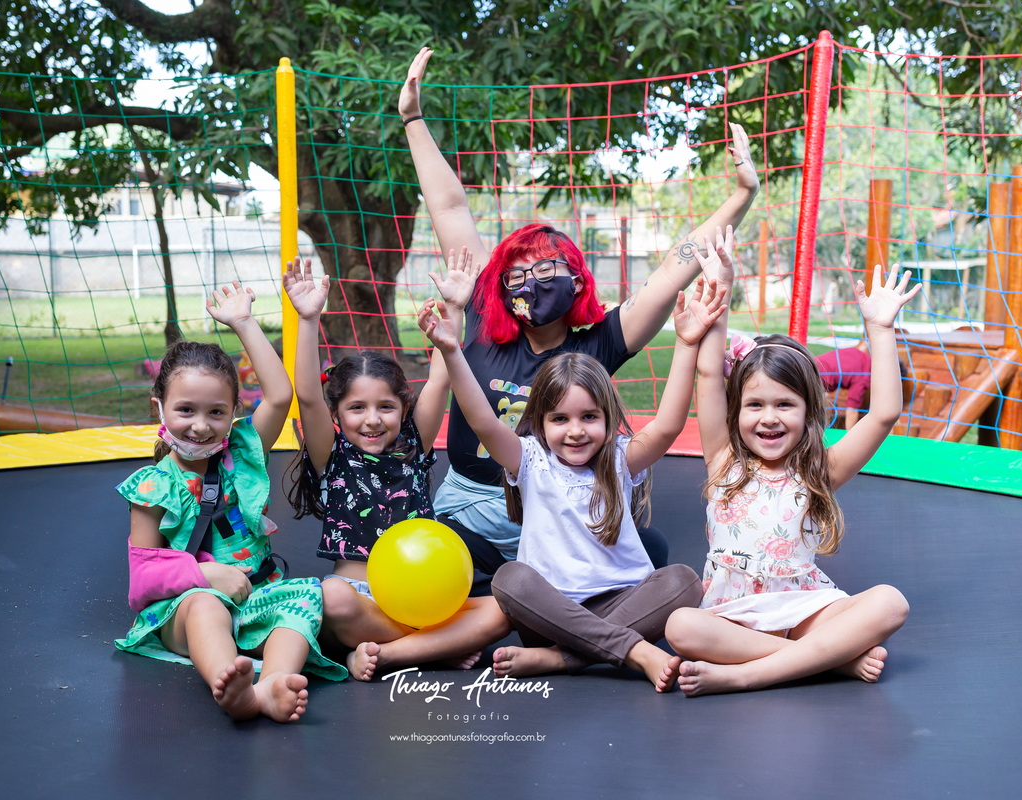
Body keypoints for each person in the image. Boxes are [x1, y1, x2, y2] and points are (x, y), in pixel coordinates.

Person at [399, 47, 762, 592]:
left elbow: (672, 269)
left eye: (550, 269)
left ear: (576, 278)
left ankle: (535, 601)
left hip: (574, 511)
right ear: (499, 285)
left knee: (654, 550)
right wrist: (413, 120)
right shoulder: (474, 316)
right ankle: (515, 595)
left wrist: (740, 198)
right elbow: (449, 209)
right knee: (436, 557)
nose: (535, 283)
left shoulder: (603, 339)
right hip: (473, 509)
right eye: (520, 274)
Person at [421, 272, 728, 691]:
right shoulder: (529, 460)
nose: (575, 431)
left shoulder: (621, 460)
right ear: (540, 424)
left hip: (621, 604)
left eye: (589, 417)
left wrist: (686, 343)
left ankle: (562, 660)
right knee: (510, 579)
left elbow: (669, 425)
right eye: (559, 419)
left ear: (607, 419)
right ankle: (633, 651)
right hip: (550, 613)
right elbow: (482, 420)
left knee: (683, 581)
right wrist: (453, 352)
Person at [663, 240, 919, 697]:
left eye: (785, 404)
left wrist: (880, 329)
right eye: (755, 404)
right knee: (682, 626)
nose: (769, 417)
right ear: (735, 410)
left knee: (890, 603)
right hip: (734, 613)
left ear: (808, 412)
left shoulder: (820, 469)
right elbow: (707, 376)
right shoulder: (723, 461)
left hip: (804, 609)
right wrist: (720, 293)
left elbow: (882, 414)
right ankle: (827, 659)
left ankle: (748, 673)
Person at [115, 281, 346, 723]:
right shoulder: (153, 487)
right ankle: (231, 681)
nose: (200, 426)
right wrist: (204, 573)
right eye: (185, 410)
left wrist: (244, 322)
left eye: (216, 412)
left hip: (256, 597)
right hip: (186, 610)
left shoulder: (240, 453)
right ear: (158, 409)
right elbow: (142, 579)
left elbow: (279, 396)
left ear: (234, 411)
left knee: (304, 599)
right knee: (206, 604)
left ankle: (274, 683)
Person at [283, 255, 512, 683]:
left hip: (428, 597)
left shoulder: (413, 445)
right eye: (357, 408)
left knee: (504, 607)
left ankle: (390, 652)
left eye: (385, 407)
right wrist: (309, 318)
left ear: (403, 407)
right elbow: (308, 396)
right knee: (331, 597)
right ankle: (434, 647)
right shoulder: (331, 455)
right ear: (338, 413)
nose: (372, 419)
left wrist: (456, 310)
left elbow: (441, 377)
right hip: (359, 599)